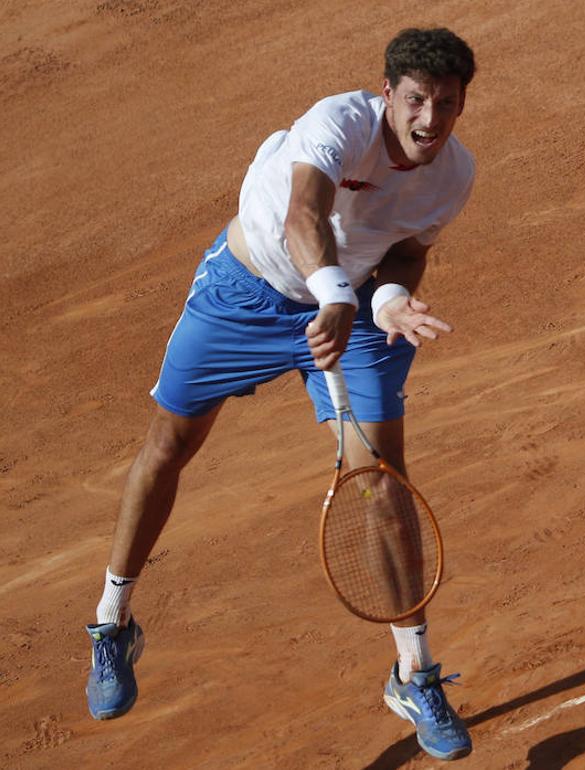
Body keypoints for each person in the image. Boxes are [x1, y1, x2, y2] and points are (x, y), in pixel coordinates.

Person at [83, 27, 477, 761]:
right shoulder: (337, 123)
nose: (431, 120)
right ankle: (113, 622)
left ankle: (414, 673)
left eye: (447, 104)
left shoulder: (454, 174)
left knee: (381, 484)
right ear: (386, 95)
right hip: (246, 292)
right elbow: (304, 217)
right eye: (418, 100)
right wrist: (333, 296)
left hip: (353, 311)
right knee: (168, 446)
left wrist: (387, 301)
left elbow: (405, 252)